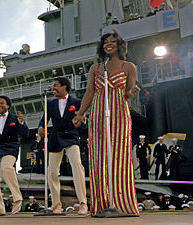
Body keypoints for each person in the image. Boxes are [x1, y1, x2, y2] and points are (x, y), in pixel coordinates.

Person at [73, 30, 140, 216]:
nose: (108, 44)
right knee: (99, 156)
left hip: (119, 113)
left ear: (119, 44)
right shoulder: (96, 68)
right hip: (97, 114)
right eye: (105, 42)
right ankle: (102, 203)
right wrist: (80, 114)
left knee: (119, 156)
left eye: (112, 41)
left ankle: (121, 202)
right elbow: (89, 93)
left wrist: (131, 94)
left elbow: (127, 93)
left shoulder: (129, 66)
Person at [38, 77, 87, 215]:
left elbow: (84, 124)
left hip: (71, 137)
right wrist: (40, 128)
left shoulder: (77, 103)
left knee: (77, 167)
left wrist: (81, 123)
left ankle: (83, 203)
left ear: (64, 87)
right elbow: (43, 121)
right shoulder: (50, 103)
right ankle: (56, 206)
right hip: (55, 138)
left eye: (55, 85)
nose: (53, 87)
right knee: (52, 172)